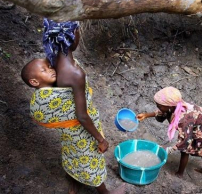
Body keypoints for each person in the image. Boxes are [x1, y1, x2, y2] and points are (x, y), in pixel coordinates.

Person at [21, 19, 124, 194]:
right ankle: (104, 191)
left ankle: (74, 181)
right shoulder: (73, 73)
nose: (79, 36)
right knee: (90, 157)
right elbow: (82, 116)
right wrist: (101, 139)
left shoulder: (51, 61)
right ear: (71, 36)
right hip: (80, 129)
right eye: (78, 32)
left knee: (70, 153)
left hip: (66, 132)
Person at [136, 86, 202, 178]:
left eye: (159, 105)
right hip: (198, 119)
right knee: (197, 146)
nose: (157, 107)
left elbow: (184, 142)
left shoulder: (183, 119)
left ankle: (180, 174)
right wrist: (146, 115)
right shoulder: (175, 106)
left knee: (186, 150)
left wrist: (167, 150)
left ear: (169, 106)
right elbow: (163, 111)